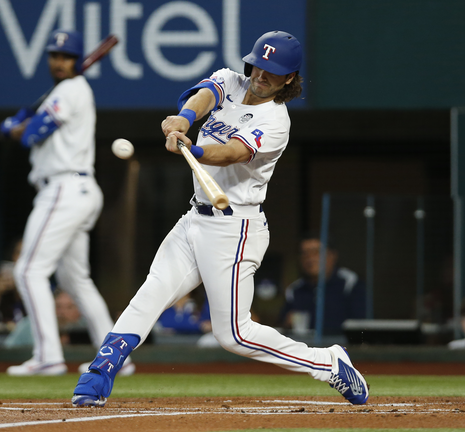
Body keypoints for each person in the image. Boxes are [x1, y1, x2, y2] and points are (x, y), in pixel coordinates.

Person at [72, 30, 368, 407]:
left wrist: (191, 145)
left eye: (272, 71)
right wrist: (181, 120)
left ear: (289, 78)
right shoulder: (231, 79)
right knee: (151, 293)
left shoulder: (277, 121)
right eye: (259, 65)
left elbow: (230, 152)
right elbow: (203, 96)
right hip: (194, 218)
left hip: (235, 226)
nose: (261, 75)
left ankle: (327, 362)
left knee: (234, 336)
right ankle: (99, 373)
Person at [0, 29, 133, 376]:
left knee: (28, 270)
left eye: (67, 57)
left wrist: (15, 125)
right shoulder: (65, 91)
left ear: (77, 60)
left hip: (64, 189)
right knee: (76, 282)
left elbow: (33, 134)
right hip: (75, 191)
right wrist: (19, 121)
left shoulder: (72, 89)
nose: (60, 62)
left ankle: (48, 356)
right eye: (55, 56)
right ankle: (118, 357)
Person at [278, 232, 366, 336]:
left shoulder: (349, 283)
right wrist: (287, 323)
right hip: (305, 348)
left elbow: (361, 327)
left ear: (332, 255)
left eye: (316, 252)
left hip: (341, 348)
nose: (310, 258)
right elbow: (282, 325)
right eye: (304, 253)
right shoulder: (295, 289)